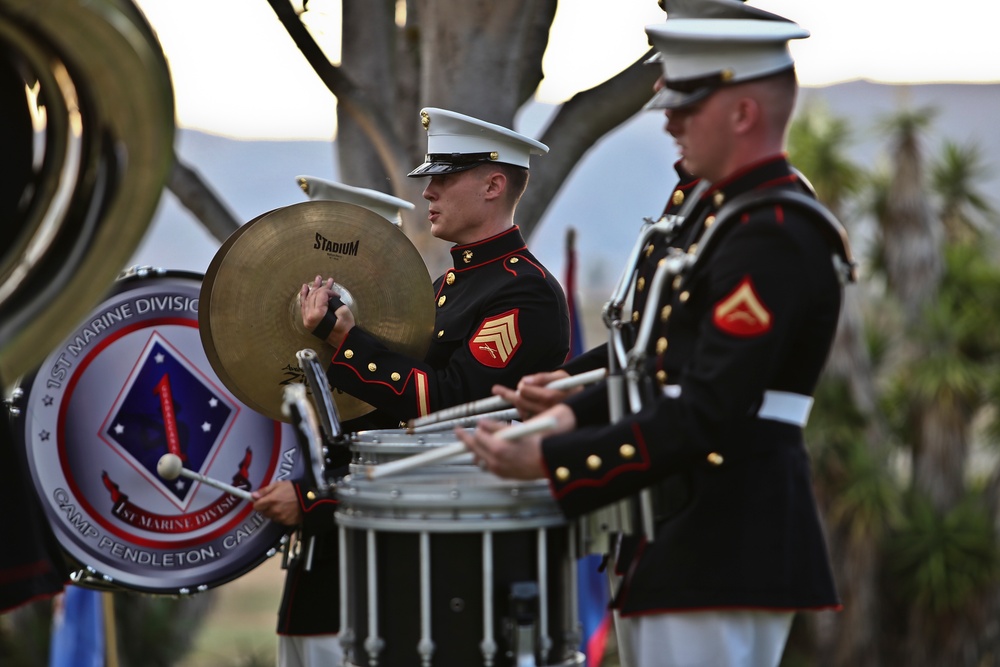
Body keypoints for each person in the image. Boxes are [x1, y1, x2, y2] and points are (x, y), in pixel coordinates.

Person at [457, 6, 852, 666]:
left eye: (687, 105)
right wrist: (567, 408)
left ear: (743, 113)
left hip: (725, 542)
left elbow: (705, 408)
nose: (667, 119)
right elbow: (661, 368)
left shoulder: (770, 233)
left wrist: (556, 461)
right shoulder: (729, 223)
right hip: (686, 533)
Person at [254, 108, 571, 667]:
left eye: (444, 178)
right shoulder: (448, 286)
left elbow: (449, 408)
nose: (428, 191)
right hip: (408, 530)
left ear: (494, 184)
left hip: (459, 543)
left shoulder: (525, 293)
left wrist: (347, 341)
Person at [253, 180, 415, 667]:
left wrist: (309, 501)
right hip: (309, 586)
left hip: (365, 595)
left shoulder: (404, 348)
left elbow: (402, 470)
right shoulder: (313, 342)